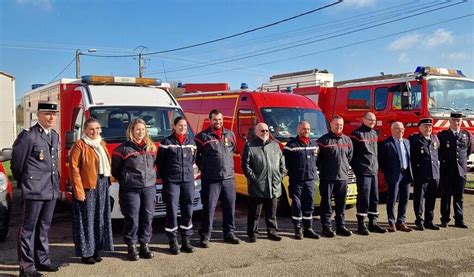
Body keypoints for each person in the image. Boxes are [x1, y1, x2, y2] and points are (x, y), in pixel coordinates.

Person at [11, 102, 61, 277]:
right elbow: (17, 165)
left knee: (44, 227)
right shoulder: (29, 136)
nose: (51, 117)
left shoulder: (54, 135)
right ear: (38, 115)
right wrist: (27, 182)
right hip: (34, 190)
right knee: (28, 230)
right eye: (47, 114)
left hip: (51, 189)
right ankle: (26, 267)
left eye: (54, 114)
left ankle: (43, 261)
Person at [69, 118, 114, 264]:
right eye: (91, 129)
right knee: (86, 220)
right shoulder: (79, 145)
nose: (95, 132)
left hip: (101, 184)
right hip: (87, 187)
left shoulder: (101, 143)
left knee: (99, 218)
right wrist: (79, 190)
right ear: (85, 131)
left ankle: (95, 250)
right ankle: (85, 253)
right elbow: (73, 169)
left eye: (97, 128)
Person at [112, 118, 157, 261]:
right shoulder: (121, 149)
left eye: (143, 130)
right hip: (130, 189)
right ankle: (131, 246)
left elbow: (154, 166)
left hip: (148, 188)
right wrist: (127, 179)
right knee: (132, 218)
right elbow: (116, 171)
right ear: (131, 131)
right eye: (138, 129)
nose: (140, 132)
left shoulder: (151, 147)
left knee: (147, 217)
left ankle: (144, 244)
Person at [195, 109, 241, 248]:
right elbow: (197, 157)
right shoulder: (202, 137)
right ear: (210, 120)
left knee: (229, 207)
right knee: (209, 208)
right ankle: (205, 235)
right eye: (215, 120)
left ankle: (229, 233)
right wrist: (207, 169)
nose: (218, 122)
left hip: (228, 178)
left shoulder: (230, 134)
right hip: (211, 180)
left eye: (220, 119)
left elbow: (233, 150)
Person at [156, 117, 196, 255]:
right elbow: (160, 163)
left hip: (188, 181)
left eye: (184, 125)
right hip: (172, 181)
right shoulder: (166, 142)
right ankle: (173, 241)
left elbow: (193, 159)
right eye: (180, 125)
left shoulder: (191, 142)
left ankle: (186, 240)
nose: (182, 127)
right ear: (174, 126)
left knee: (188, 209)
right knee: (172, 210)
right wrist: (166, 178)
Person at [242, 123, 286, 242]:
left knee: (272, 213)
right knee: (255, 213)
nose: (265, 133)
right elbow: (245, 166)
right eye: (262, 131)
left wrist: (280, 176)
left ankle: (272, 232)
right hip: (257, 186)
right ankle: (252, 233)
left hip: (274, 185)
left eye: (267, 130)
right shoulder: (250, 146)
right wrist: (255, 179)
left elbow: (282, 162)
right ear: (256, 132)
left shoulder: (274, 145)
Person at [349, 112, 386, 235]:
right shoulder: (356, 134)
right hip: (363, 171)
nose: (372, 122)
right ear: (363, 119)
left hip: (373, 170)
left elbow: (375, 153)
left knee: (374, 198)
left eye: (374, 120)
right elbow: (352, 155)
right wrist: (357, 169)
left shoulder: (374, 133)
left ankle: (373, 223)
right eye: (370, 120)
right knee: (363, 198)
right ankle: (361, 224)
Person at [316, 115, 353, 238]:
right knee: (326, 204)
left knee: (341, 205)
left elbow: (349, 157)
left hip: (342, 177)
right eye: (336, 125)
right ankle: (326, 227)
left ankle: (341, 226)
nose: (339, 127)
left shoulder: (347, 140)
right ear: (330, 125)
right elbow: (318, 160)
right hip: (327, 178)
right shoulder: (322, 141)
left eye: (341, 125)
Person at [283, 121, 320, 240]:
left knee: (309, 203)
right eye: (304, 129)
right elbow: (285, 163)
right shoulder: (291, 145)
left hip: (310, 179)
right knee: (297, 205)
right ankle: (298, 228)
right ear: (298, 130)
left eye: (308, 129)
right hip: (296, 180)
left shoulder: (314, 144)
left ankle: (308, 228)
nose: (307, 131)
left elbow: (317, 161)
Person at [438, 112, 472, 228]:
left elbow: (468, 150)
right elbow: (439, 152)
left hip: (460, 171)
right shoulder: (442, 135)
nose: (457, 123)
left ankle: (459, 220)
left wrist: (462, 164)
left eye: (459, 121)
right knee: (445, 196)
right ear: (450, 121)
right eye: (454, 120)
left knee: (459, 197)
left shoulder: (466, 134)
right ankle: (444, 219)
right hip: (447, 171)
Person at [379, 122, 413, 232]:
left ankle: (401, 222)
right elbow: (382, 161)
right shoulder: (386, 144)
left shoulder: (407, 142)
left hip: (406, 174)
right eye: (398, 129)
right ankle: (391, 222)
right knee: (392, 199)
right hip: (394, 175)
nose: (401, 131)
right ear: (392, 130)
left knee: (404, 199)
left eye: (402, 129)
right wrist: (387, 172)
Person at [408, 118, 440, 231]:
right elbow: (411, 158)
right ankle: (419, 221)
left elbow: (437, 156)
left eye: (430, 126)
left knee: (431, 199)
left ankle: (429, 221)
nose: (428, 128)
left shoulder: (435, 138)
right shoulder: (415, 139)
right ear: (420, 128)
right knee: (419, 199)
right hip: (421, 175)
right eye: (425, 126)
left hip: (434, 174)